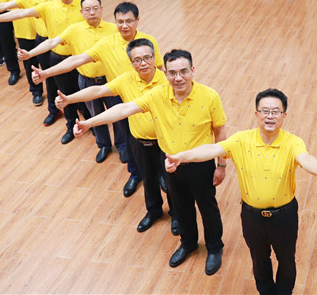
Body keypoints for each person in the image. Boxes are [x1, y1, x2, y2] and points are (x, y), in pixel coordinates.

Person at [166, 88, 317, 295]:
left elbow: (305, 159)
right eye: (265, 111)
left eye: (275, 111)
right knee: (259, 259)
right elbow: (212, 149)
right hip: (251, 217)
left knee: (286, 259)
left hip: (284, 217)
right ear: (256, 114)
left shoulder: (293, 142)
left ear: (284, 115)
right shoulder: (241, 140)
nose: (270, 116)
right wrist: (181, 157)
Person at [73, 49, 227, 272]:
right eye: (172, 73)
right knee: (181, 207)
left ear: (193, 71)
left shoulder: (210, 96)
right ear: (166, 73)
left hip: (200, 165)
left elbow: (220, 133)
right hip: (171, 164)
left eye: (183, 71)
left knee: (207, 207)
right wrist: (89, 123)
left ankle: (214, 247)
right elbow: (124, 108)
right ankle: (188, 243)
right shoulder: (157, 95)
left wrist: (221, 165)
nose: (178, 77)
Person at [28, 2, 163, 196]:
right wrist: (46, 73)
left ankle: (160, 174)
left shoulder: (149, 41)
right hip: (122, 99)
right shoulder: (107, 43)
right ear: (115, 22)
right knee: (130, 139)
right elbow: (76, 60)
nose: (124, 25)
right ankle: (135, 174)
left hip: (152, 100)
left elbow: (159, 69)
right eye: (120, 22)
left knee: (159, 138)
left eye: (129, 21)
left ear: (137, 21)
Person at [69, 39, 171, 234]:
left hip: (166, 143)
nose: (143, 63)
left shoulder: (168, 81)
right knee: (148, 180)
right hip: (140, 141)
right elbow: (98, 90)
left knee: (171, 182)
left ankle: (176, 214)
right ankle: (154, 211)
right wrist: (69, 99)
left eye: (147, 58)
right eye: (137, 60)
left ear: (154, 57)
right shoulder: (126, 79)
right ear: (131, 63)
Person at [0, 0, 85, 140]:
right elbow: (20, 14)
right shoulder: (47, 6)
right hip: (58, 57)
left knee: (84, 92)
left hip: (81, 58)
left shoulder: (84, 6)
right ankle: (71, 125)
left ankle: (92, 125)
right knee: (64, 93)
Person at [22, 0, 120, 162]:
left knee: (117, 115)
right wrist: (30, 54)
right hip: (87, 81)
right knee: (94, 115)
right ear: (81, 12)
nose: (92, 13)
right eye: (87, 10)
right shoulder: (74, 30)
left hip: (111, 81)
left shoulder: (114, 29)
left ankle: (122, 146)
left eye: (95, 8)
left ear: (102, 9)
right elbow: (52, 42)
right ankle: (103, 145)